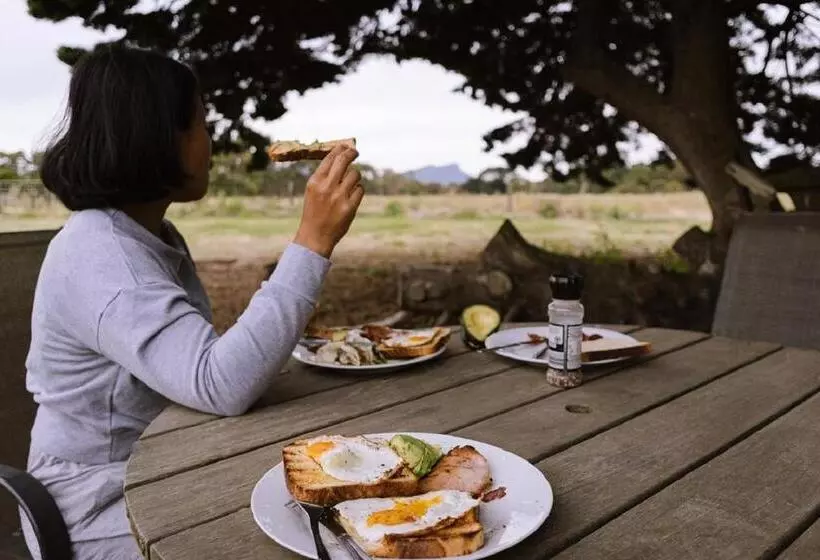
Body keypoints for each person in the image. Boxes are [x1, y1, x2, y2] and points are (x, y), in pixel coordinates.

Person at [21, 45, 363, 560]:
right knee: (300, 543)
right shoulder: (102, 256)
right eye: (200, 123)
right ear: (157, 136)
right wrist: (312, 243)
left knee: (334, 505)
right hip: (93, 500)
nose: (209, 140)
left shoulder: (145, 233)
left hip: (168, 459)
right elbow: (219, 384)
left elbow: (197, 367)